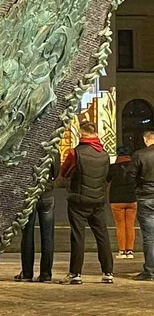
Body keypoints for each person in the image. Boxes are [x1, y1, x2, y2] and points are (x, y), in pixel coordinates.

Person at [59, 122, 114, 285]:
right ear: (95, 134)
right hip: (98, 201)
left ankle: (75, 274)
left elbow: (64, 172)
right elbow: (106, 176)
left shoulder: (75, 153)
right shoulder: (105, 154)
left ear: (81, 134)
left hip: (78, 201)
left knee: (78, 236)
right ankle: (108, 272)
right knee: (102, 236)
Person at [14, 151, 60, 282]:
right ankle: (46, 274)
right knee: (48, 236)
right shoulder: (54, 149)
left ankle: (27, 273)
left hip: (30, 194)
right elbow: (56, 172)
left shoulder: (29, 147)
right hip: (47, 193)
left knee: (27, 235)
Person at [125, 129, 154, 281]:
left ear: (145, 139)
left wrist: (138, 185)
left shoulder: (140, 155)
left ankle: (150, 270)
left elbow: (129, 176)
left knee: (149, 236)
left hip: (146, 196)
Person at [108, 146, 136, 259]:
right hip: (132, 198)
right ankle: (130, 251)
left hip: (116, 199)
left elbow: (106, 180)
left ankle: (122, 251)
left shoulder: (112, 168)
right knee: (130, 225)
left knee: (120, 225)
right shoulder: (134, 167)